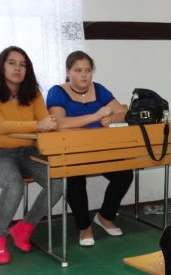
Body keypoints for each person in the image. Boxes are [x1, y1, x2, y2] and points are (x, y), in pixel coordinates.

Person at [0, 46, 62, 265]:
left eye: (23, 65)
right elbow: (1, 126)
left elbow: (46, 123)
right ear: (2, 66)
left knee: (58, 183)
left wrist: (48, 124)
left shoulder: (33, 93)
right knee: (14, 185)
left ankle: (24, 228)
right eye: (12, 63)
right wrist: (37, 125)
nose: (18, 68)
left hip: (29, 152)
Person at [46, 51, 131, 246]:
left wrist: (110, 118)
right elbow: (60, 123)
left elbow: (124, 113)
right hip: (70, 151)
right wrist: (95, 116)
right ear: (68, 72)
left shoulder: (99, 90)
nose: (84, 75)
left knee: (125, 174)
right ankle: (84, 227)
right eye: (78, 70)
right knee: (74, 178)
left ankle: (105, 217)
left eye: (87, 70)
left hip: (100, 149)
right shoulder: (57, 92)